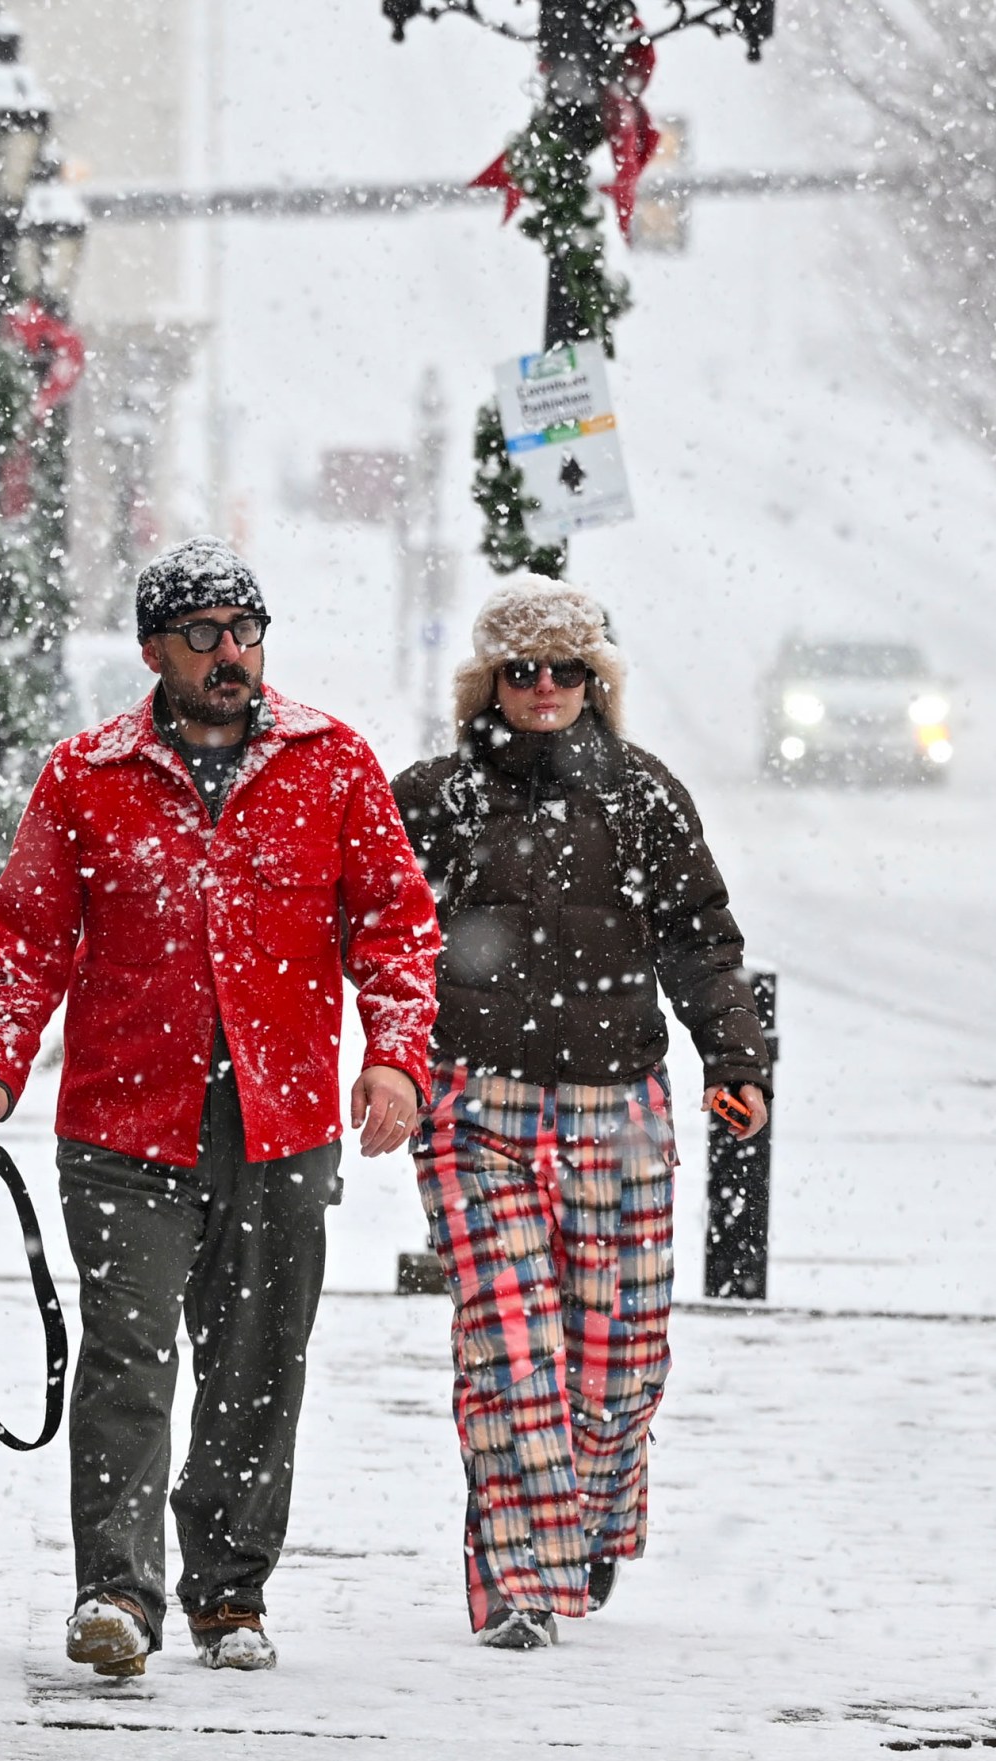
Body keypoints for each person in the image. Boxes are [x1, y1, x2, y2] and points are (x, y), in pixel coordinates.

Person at [0, 538, 438, 1677]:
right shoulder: (85, 776)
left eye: (246, 630)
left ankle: (228, 1594)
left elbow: (398, 927)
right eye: (204, 634)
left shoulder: (330, 765)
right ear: (154, 649)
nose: (231, 654)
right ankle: (114, 1593)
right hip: (123, 1127)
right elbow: (25, 936)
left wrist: (395, 1057)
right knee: (126, 1357)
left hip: (281, 1124)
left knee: (258, 1364)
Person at [392, 574, 770, 1650]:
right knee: (509, 1352)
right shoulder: (436, 798)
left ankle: (589, 1512)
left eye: (564, 669)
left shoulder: (644, 796)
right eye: (521, 670)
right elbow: (380, 941)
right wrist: (394, 1064)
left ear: (592, 679)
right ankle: (520, 1579)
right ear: (490, 684)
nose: (544, 686)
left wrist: (731, 1056)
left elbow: (701, 935)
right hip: (475, 1107)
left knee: (620, 1365)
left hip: (621, 1105)